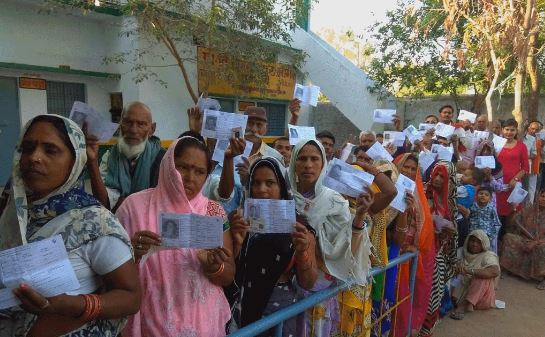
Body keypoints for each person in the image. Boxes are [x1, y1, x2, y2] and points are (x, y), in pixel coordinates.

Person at [0, 114, 140, 336]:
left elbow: (130, 297)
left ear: (75, 160)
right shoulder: (11, 214)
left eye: (50, 150)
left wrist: (73, 305)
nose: (34, 157)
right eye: (28, 148)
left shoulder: (94, 222)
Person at [116, 136, 235, 337]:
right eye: (183, 167)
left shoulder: (213, 211)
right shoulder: (133, 207)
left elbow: (229, 275)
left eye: (200, 172)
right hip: (151, 322)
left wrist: (214, 266)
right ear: (169, 165)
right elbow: (110, 272)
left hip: (205, 325)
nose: (190, 177)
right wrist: (132, 254)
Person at [288, 140, 374, 337]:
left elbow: (345, 252)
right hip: (287, 291)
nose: (308, 165)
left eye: (314, 159)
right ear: (294, 163)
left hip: (319, 291)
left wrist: (359, 217)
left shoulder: (336, 202)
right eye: (302, 158)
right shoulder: (283, 196)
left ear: (323, 163)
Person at [229, 157, 318, 337]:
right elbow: (229, 274)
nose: (262, 189)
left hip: (279, 317)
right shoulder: (239, 221)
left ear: (282, 187)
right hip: (244, 311)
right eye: (256, 183)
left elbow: (308, 282)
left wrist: (302, 253)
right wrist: (237, 243)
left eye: (270, 183)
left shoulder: (300, 228)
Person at [86, 101, 166, 211]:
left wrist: (124, 202)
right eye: (128, 122)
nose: (133, 130)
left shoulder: (163, 159)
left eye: (141, 124)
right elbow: (104, 203)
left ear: (152, 129)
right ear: (120, 125)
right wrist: (92, 161)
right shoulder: (110, 156)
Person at [392, 153, 435, 337]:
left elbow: (424, 227)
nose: (408, 172)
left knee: (403, 303)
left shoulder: (417, 193)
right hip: (392, 255)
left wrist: (416, 246)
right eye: (405, 167)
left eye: (413, 169)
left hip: (409, 258)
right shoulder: (388, 189)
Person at [418, 161, 458, 337]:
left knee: (433, 297)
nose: (438, 179)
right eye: (436, 174)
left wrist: (449, 231)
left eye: (443, 176)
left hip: (438, 254)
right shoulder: (421, 193)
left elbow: (453, 229)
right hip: (419, 252)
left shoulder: (449, 201)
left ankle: (425, 331)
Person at [450, 230, 500, 320]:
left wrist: (469, 271)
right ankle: (458, 301)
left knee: (482, 277)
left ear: (484, 243)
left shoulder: (488, 255)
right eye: (472, 241)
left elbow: (494, 271)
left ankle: (464, 305)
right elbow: (451, 264)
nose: (474, 244)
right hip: (460, 290)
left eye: (478, 242)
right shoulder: (461, 251)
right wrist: (457, 266)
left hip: (482, 297)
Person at [501, 190, 545, 290]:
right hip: (525, 238)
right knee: (508, 238)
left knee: (543, 248)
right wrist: (513, 211)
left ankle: (543, 278)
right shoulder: (528, 208)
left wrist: (536, 243)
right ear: (538, 196)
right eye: (542, 196)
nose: (544, 199)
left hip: (541, 242)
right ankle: (508, 268)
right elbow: (511, 224)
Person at [496, 119, 529, 235]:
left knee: (512, 214)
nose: (509, 132)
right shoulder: (495, 143)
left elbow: (525, 168)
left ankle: (508, 241)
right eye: (507, 129)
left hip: (513, 186)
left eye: (512, 130)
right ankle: (497, 242)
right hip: (497, 185)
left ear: (516, 131)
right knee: (496, 213)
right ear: (502, 130)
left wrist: (515, 179)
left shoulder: (521, 146)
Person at [467, 186, 502, 253]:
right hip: (473, 233)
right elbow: (468, 219)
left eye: (486, 195)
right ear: (476, 196)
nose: (483, 196)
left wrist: (492, 236)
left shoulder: (491, 208)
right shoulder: (472, 206)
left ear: (490, 198)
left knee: (485, 253)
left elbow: (497, 223)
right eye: (481, 193)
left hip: (486, 235)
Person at [524, 121, 540, 203]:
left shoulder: (538, 139)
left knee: (530, 188)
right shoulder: (519, 139)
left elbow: (535, 154)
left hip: (532, 167)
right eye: (533, 129)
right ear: (528, 128)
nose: (534, 131)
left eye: (536, 130)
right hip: (521, 167)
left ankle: (529, 207)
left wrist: (525, 157)